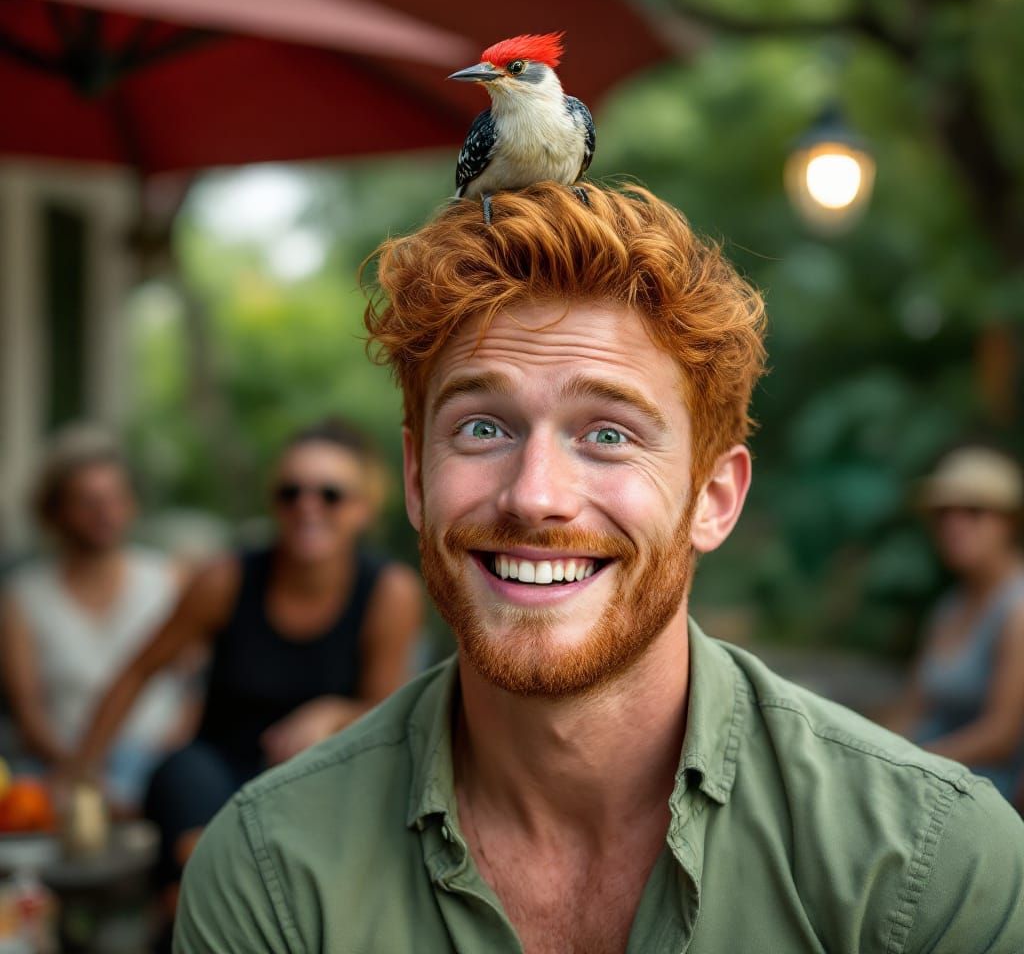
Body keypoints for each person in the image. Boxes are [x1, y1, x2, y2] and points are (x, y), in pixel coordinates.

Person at [176, 185, 1024, 954]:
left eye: (608, 434)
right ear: (413, 479)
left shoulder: (932, 863)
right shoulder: (268, 873)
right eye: (481, 428)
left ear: (713, 498)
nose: (535, 496)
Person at [66, 417, 423, 895]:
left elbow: (390, 717)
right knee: (186, 783)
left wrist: (333, 714)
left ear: (363, 508)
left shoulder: (389, 592)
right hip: (214, 778)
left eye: (330, 495)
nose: (307, 507)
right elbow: (137, 672)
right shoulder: (225, 580)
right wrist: (79, 776)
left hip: (321, 782)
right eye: (290, 493)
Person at [0, 425, 189, 810]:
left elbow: (194, 692)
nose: (105, 513)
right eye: (87, 501)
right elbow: (28, 713)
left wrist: (161, 766)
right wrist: (81, 769)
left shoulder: (168, 580)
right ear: (55, 511)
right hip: (60, 768)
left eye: (115, 498)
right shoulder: (25, 596)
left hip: (158, 765)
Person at [884, 446, 1024, 803]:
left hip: (979, 798)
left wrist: (912, 762)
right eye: (944, 513)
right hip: (925, 775)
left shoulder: (1016, 606)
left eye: (974, 512)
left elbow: (1001, 736)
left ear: (1008, 521)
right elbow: (912, 708)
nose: (955, 524)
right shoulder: (950, 607)